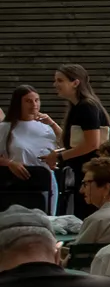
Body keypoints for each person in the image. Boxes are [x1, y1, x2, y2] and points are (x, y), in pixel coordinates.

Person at [48, 63, 110, 215]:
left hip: (89, 172)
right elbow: (76, 143)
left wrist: (59, 156)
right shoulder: (76, 107)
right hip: (81, 172)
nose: (55, 84)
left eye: (60, 80)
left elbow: (92, 144)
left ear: (75, 83)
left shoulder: (86, 107)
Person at [0, 83, 59, 211]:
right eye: (28, 101)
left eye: (36, 100)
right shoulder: (5, 127)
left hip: (46, 183)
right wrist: (9, 163)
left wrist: (53, 124)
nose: (34, 105)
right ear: (18, 103)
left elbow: (67, 144)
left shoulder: (46, 127)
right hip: (16, 184)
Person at [72, 156, 110, 244]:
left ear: (106, 187)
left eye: (86, 184)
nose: (81, 190)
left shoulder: (97, 220)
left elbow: (76, 255)